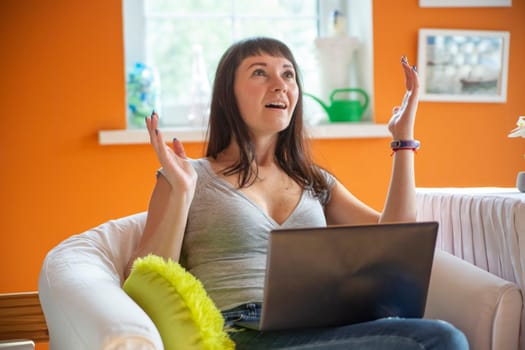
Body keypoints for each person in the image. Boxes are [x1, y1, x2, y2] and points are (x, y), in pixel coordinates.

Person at [128, 37, 469, 349]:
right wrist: (182, 193)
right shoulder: (187, 175)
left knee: (440, 335)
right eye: (260, 73)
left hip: (321, 326)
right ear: (227, 94)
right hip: (242, 332)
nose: (280, 85)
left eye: (288, 75)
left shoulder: (313, 180)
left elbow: (395, 235)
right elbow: (144, 279)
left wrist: (403, 139)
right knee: (432, 342)